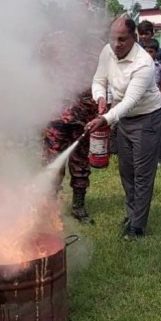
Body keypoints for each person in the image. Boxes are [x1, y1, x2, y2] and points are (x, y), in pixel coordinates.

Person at [86, 17, 161, 240]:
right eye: (113, 38)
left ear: (134, 38)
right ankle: (132, 214)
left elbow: (130, 101)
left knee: (142, 172)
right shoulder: (107, 51)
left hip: (147, 117)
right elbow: (98, 80)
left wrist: (106, 118)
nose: (116, 44)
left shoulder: (143, 63)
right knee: (126, 170)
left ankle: (137, 226)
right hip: (124, 117)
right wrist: (100, 97)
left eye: (122, 39)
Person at [39, 30, 105, 224]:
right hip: (56, 114)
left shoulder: (99, 47)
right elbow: (39, 69)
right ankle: (50, 208)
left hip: (84, 116)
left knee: (80, 163)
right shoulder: (53, 40)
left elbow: (105, 78)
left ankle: (78, 207)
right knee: (52, 162)